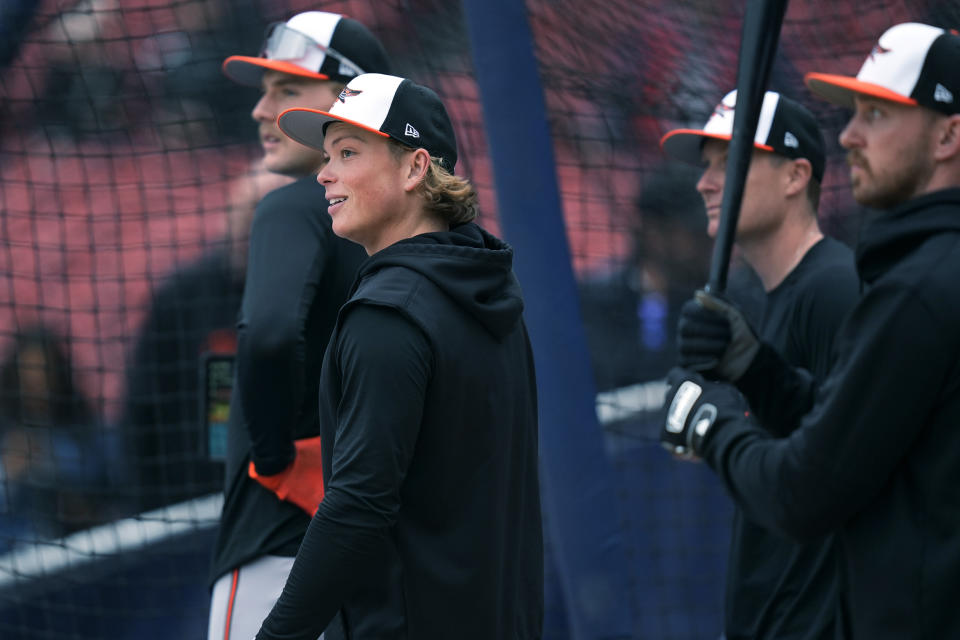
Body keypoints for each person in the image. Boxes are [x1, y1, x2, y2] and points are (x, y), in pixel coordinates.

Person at [659, 22, 960, 638]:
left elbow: (809, 488)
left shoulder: (886, 287)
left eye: (876, 115)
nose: (849, 135)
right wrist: (756, 370)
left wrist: (709, 422)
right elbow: (849, 429)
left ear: (949, 134)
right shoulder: (910, 275)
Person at [251, 72, 543, 640]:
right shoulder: (492, 294)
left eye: (348, 152)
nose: (323, 172)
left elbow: (357, 509)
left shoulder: (388, 314)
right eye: (327, 154)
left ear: (415, 167)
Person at [206, 12, 391, 640]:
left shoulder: (291, 208)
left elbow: (271, 335)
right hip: (381, 569)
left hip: (275, 544)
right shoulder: (420, 236)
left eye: (287, 90)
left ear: (350, 102)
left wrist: (275, 460)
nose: (261, 110)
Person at [659, 89, 859, 639]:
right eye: (706, 166)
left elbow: (837, 470)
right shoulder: (776, 298)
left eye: (731, 162)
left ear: (796, 177)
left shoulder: (835, 288)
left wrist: (714, 419)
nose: (705, 182)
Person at [121, 162, 290, 513]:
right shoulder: (185, 297)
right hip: (191, 502)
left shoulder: (308, 291)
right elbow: (141, 409)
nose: (253, 231)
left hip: (283, 498)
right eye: (246, 216)